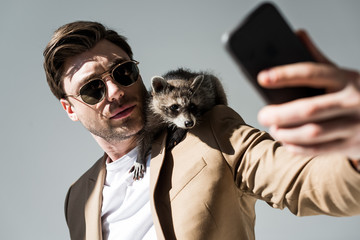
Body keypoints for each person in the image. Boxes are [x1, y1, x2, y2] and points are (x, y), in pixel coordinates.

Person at [43, 21, 360, 240]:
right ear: (69, 108)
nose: (114, 91)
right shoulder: (78, 198)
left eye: (123, 72)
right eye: (92, 89)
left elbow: (307, 183)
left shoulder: (211, 131)